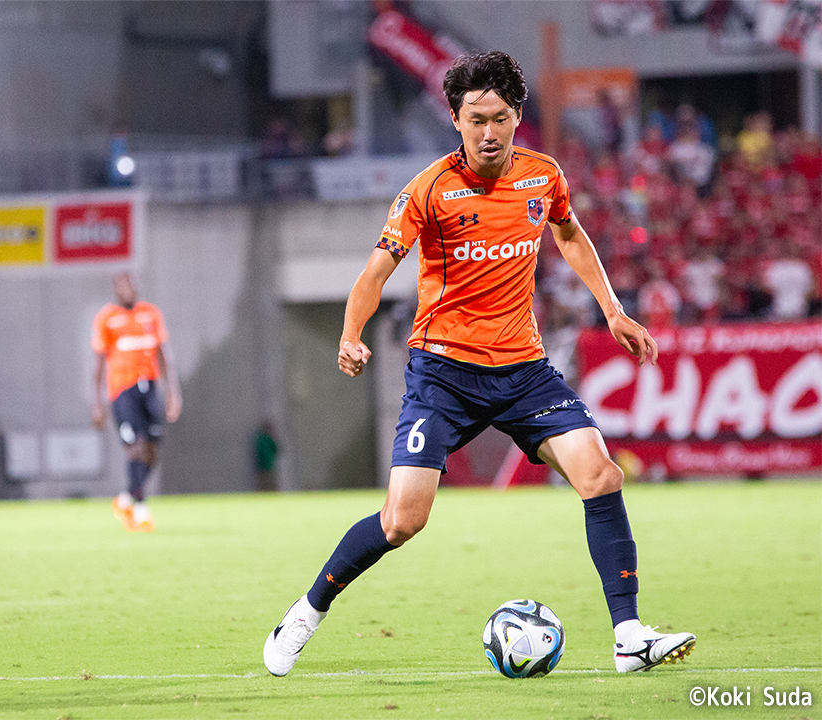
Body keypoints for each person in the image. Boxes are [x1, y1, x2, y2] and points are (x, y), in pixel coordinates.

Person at [263, 51, 695, 677]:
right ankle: (307, 611)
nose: (487, 133)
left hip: (523, 370)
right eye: (475, 120)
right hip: (443, 375)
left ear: (517, 116)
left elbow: (570, 235)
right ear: (455, 120)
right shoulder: (428, 190)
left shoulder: (543, 176)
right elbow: (375, 272)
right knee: (403, 521)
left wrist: (613, 309)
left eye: (498, 119)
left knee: (601, 475)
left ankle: (628, 636)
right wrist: (350, 335)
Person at [91, 272, 181, 532]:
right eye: (123, 285)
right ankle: (140, 509)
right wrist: (97, 402)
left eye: (132, 284)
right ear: (116, 289)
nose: (129, 289)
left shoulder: (150, 314)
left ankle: (126, 498)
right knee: (134, 448)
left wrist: (173, 393)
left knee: (152, 451)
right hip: (123, 390)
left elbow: (164, 355)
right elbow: (98, 363)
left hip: (149, 387)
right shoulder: (107, 318)